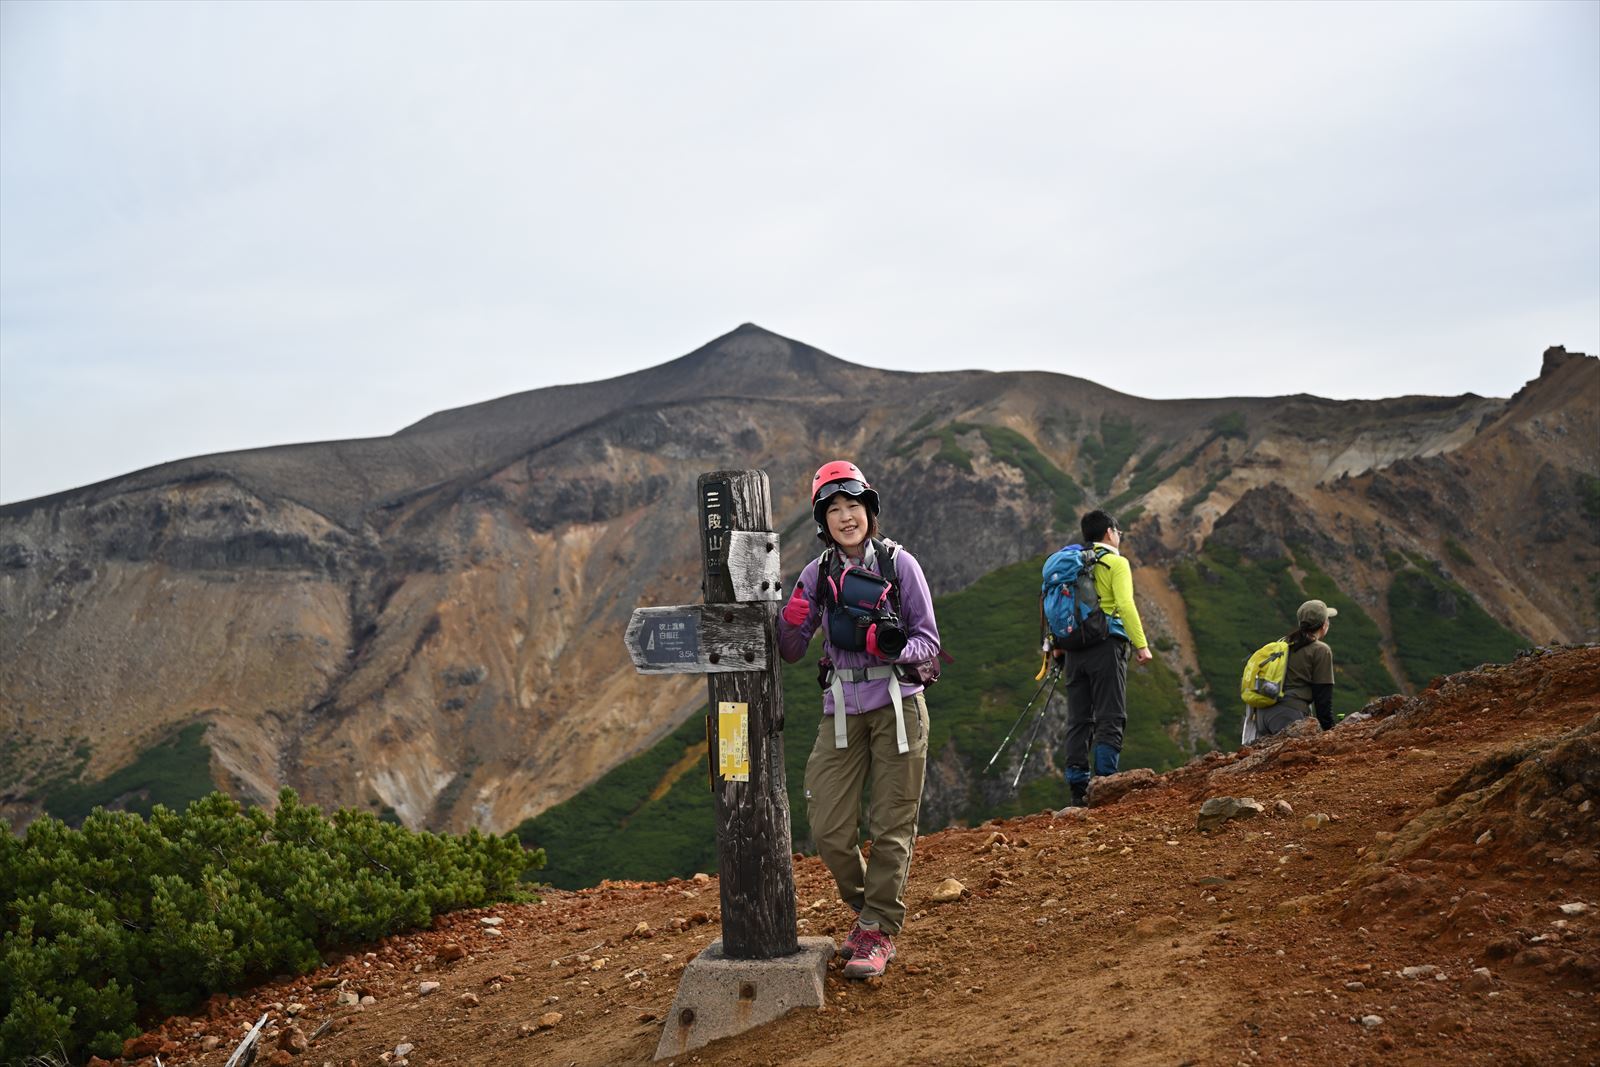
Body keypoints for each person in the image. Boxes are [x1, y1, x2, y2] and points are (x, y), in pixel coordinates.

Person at [777, 460, 941, 980]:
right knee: (828, 827)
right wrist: (793, 618)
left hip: (898, 705)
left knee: (892, 826)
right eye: (834, 510)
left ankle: (877, 929)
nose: (846, 517)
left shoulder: (900, 564)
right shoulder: (816, 574)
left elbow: (929, 643)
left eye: (853, 506)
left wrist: (884, 644)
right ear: (822, 521)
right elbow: (792, 649)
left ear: (869, 510)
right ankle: (868, 910)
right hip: (842, 710)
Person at [1061, 509, 1151, 807]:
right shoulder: (1115, 562)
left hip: (1073, 649)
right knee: (1110, 715)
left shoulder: (1071, 565)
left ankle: (1077, 790)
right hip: (1106, 645)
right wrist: (1141, 645)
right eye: (1118, 532)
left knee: (1079, 719)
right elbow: (1125, 605)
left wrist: (1054, 647)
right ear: (1110, 532)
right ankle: (1105, 784)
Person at [1258, 599, 1337, 737]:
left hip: (1263, 714)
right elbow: (1323, 697)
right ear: (1324, 625)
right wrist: (1331, 731)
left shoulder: (1283, 642)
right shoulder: (1320, 650)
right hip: (1289, 714)